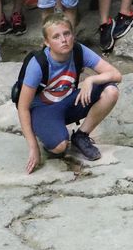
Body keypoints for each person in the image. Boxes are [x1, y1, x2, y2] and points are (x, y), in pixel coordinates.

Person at [17, 14, 122, 172]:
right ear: (47, 42)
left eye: (66, 34)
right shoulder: (38, 64)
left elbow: (116, 74)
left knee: (111, 91)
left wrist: (90, 80)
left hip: (69, 101)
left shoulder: (78, 51)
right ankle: (48, 133)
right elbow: (23, 107)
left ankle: (81, 135)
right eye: (56, 36)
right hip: (44, 109)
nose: (63, 40)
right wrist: (33, 148)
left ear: (73, 35)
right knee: (60, 147)